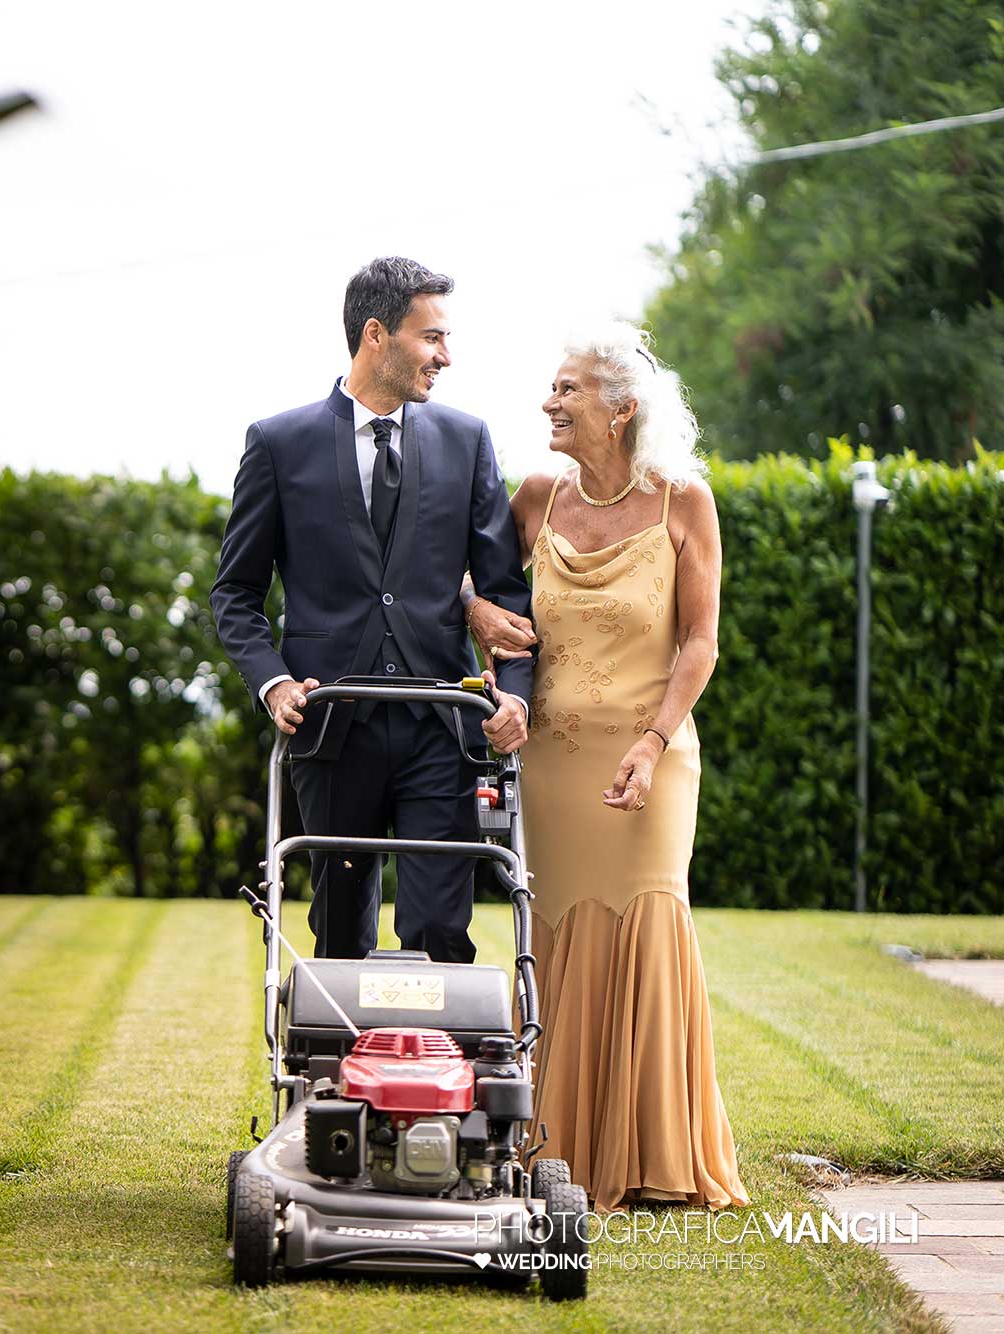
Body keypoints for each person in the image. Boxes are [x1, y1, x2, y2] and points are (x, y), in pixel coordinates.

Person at [464, 322, 749, 1211]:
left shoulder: (683, 502)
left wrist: (654, 740)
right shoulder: (539, 496)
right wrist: (476, 615)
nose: (550, 402)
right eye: (551, 389)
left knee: (649, 919)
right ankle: (550, 1149)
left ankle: (655, 1154)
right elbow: (477, 588)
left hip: (650, 755)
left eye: (569, 389)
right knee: (549, 929)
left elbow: (700, 644)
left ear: (622, 409)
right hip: (548, 756)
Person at [210, 256, 533, 963]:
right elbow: (234, 594)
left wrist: (514, 697)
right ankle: (350, 1076)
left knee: (441, 932)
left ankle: (438, 1072)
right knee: (341, 934)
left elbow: (506, 592)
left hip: (440, 726)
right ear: (376, 335)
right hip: (332, 725)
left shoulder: (467, 439)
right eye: (432, 338)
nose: (447, 356)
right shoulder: (278, 442)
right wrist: (274, 683)